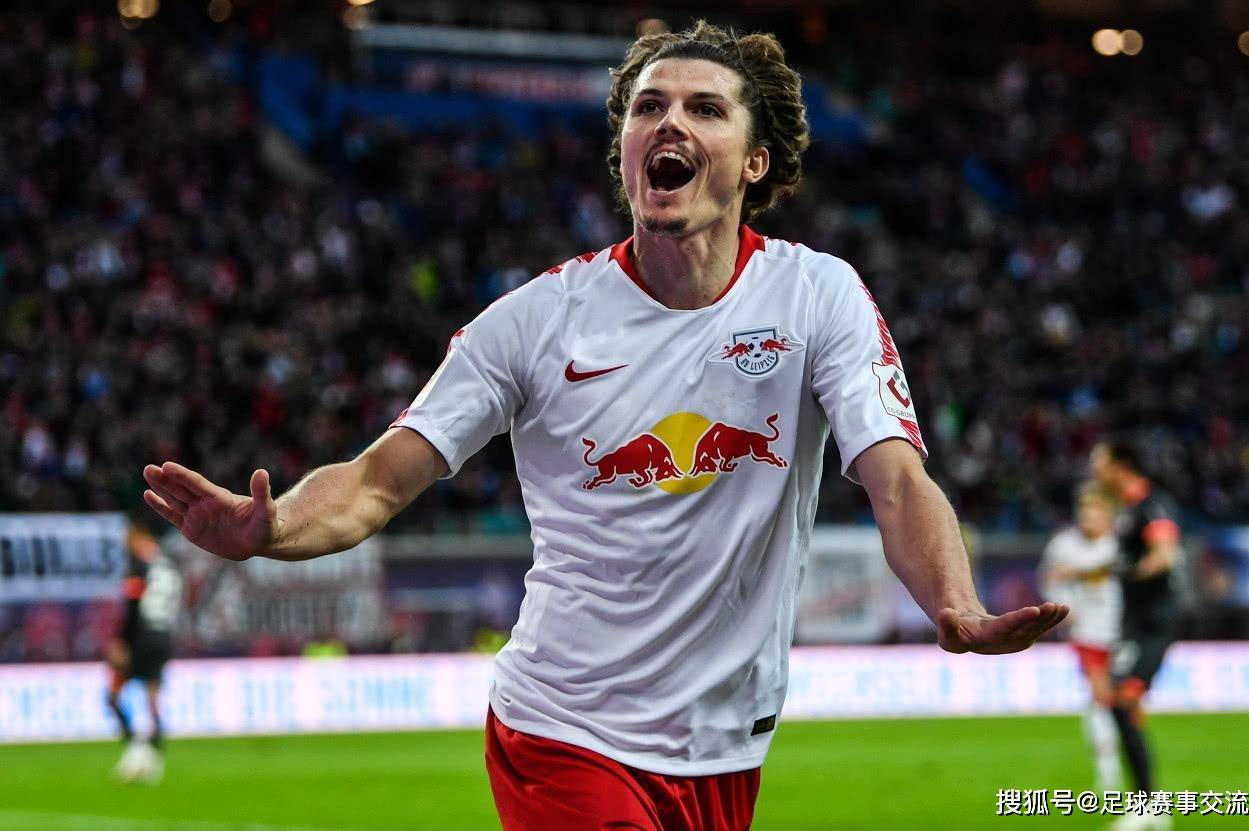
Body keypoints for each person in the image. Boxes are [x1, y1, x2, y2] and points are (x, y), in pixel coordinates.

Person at [141, 21, 1067, 830]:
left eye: (704, 108)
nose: (669, 123)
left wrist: (953, 601)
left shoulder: (817, 295)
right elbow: (378, 480)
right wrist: (273, 526)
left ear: (755, 161)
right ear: (623, 149)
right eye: (647, 107)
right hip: (562, 731)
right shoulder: (534, 323)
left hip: (725, 747)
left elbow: (895, 477)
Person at [1090, 441, 1181, 831]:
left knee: (1123, 699)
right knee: (1119, 703)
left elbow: (1164, 555)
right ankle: (1149, 803)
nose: (1094, 469)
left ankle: (1149, 804)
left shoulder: (1151, 505)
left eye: (1099, 461)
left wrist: (1129, 573)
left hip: (1155, 623)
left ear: (1120, 465)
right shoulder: (1126, 510)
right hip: (1133, 624)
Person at [1039, 485, 1123, 791]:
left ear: (1108, 516)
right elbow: (1048, 579)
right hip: (1089, 631)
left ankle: (1124, 762)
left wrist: (1074, 572)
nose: (1087, 519)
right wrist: (1064, 609)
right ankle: (1108, 769)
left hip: (1125, 630)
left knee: (1125, 699)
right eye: (1083, 513)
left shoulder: (1119, 545)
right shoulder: (1063, 545)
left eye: (1094, 513)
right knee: (1101, 695)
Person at [104, 517, 183, 783]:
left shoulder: (139, 565)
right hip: (163, 637)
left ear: (138, 533)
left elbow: (132, 607)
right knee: (153, 701)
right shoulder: (168, 565)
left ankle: (135, 750)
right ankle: (154, 759)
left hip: (140, 638)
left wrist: (121, 641)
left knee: (113, 696)